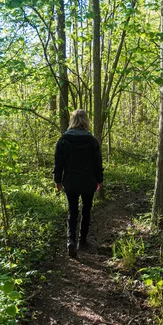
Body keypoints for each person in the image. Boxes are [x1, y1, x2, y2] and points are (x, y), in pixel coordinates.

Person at [53, 109, 103, 258]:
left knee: (72, 211)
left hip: (71, 181)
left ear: (72, 121)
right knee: (86, 210)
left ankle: (71, 241)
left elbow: (58, 163)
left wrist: (58, 180)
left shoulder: (63, 140)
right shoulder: (92, 141)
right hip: (88, 181)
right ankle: (83, 241)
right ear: (86, 121)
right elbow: (97, 163)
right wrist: (99, 180)